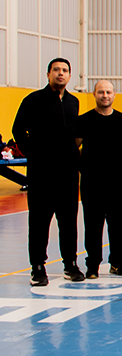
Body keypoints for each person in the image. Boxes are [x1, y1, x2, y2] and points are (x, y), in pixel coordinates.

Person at [14, 58, 84, 285]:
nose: (60, 73)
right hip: (41, 173)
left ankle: (70, 265)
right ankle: (37, 267)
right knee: (39, 222)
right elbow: (18, 130)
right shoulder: (33, 100)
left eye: (64, 70)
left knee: (68, 222)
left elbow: (75, 134)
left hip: (68, 173)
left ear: (70, 76)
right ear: (48, 74)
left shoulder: (74, 102)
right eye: (56, 70)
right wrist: (33, 154)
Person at [76, 80, 122, 278]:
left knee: (117, 224)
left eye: (108, 92)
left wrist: (113, 163)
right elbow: (75, 146)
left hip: (117, 180)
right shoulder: (84, 120)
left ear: (114, 95)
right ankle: (93, 265)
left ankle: (117, 263)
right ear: (94, 94)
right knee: (93, 224)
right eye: (101, 92)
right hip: (91, 181)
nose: (105, 95)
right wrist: (86, 167)